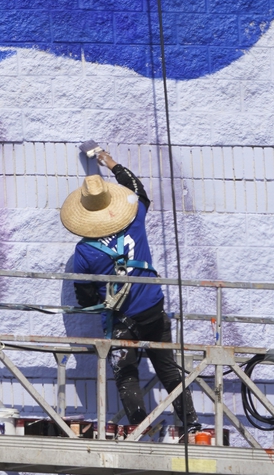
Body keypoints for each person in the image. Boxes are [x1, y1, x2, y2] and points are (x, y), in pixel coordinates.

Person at [62, 148, 200, 434]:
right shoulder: (134, 218)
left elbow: (86, 298)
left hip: (121, 321)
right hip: (152, 309)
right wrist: (110, 162)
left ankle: (139, 427)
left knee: (126, 375)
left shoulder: (85, 251)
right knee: (168, 370)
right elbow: (138, 190)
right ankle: (191, 424)